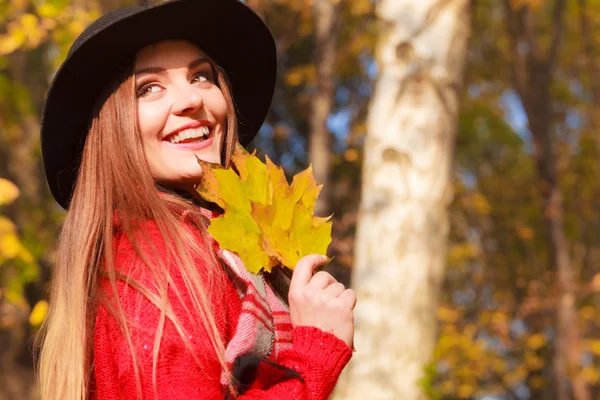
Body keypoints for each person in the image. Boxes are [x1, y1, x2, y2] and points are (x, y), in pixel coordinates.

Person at [36, 0, 357, 399]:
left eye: (202, 77)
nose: (192, 99)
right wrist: (315, 351)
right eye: (149, 87)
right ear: (110, 131)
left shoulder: (222, 252)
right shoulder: (154, 259)